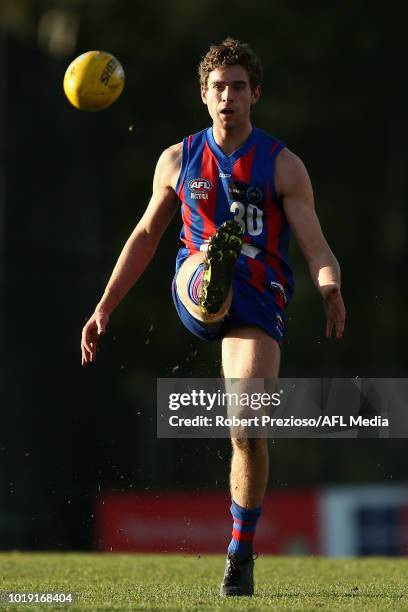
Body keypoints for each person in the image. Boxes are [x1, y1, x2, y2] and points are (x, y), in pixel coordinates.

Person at [81, 38, 346, 597]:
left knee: (247, 426)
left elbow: (317, 247)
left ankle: (239, 551)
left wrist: (330, 288)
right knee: (204, 268)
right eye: (218, 88)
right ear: (203, 95)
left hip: (261, 296)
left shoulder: (283, 165)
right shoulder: (178, 160)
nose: (229, 97)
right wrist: (105, 306)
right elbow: (146, 237)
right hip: (192, 280)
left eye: (239, 88)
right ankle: (210, 274)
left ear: (256, 95)